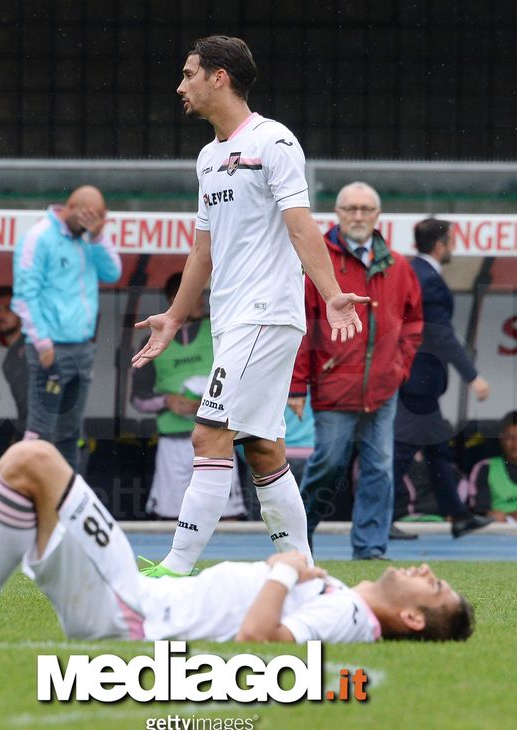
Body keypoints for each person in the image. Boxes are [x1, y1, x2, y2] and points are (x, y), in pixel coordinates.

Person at [131, 35, 369, 577]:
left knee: (207, 433)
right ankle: (305, 570)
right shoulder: (208, 158)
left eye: (189, 74)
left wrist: (331, 293)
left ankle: (177, 566)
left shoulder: (274, 142)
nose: (180, 85)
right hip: (234, 317)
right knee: (262, 447)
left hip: (264, 314)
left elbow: (300, 224)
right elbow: (203, 248)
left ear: (219, 77)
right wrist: (173, 315)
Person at [0, 440, 474, 644]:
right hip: (139, 600)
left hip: (137, 611)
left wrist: (284, 569)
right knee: (25, 473)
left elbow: (265, 642)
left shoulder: (350, 613)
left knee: (34, 458)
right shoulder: (344, 599)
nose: (425, 568)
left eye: (433, 583)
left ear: (413, 617)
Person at [289, 181, 423, 560]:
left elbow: (414, 323)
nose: (359, 216)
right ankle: (297, 542)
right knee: (328, 465)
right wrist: (297, 385)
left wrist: (400, 367)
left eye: (366, 209)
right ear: (338, 214)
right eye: (351, 209)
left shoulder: (399, 265)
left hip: (384, 386)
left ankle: (370, 548)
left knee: (379, 470)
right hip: (334, 386)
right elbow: (304, 324)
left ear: (378, 216)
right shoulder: (320, 259)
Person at [393, 218, 493, 538]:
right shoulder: (428, 279)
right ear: (440, 245)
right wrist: (472, 375)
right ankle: (376, 520)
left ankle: (458, 515)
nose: (453, 247)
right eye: (451, 241)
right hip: (418, 382)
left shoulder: (414, 272)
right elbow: (441, 335)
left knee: (437, 450)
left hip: (415, 380)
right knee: (401, 454)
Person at [12, 185, 122, 469]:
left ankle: (67, 502)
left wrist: (98, 235)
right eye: (87, 217)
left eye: (97, 219)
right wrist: (42, 343)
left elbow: (113, 273)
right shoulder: (39, 237)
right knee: (40, 432)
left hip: (82, 347)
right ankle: (27, 500)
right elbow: (24, 295)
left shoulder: (88, 239)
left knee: (71, 432)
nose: (90, 224)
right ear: (71, 206)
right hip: (51, 349)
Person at [131, 274, 244, 519]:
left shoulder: (218, 331)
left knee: (228, 517)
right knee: (171, 518)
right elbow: (137, 399)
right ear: (176, 299)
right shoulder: (152, 339)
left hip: (217, 437)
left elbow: (241, 378)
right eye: (196, 297)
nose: (202, 303)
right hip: (173, 442)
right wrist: (167, 401)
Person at [0, 285, 28, 427]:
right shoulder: (9, 359)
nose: (1, 316)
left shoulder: (33, 347)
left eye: (8, 309)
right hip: (33, 431)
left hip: (55, 435)